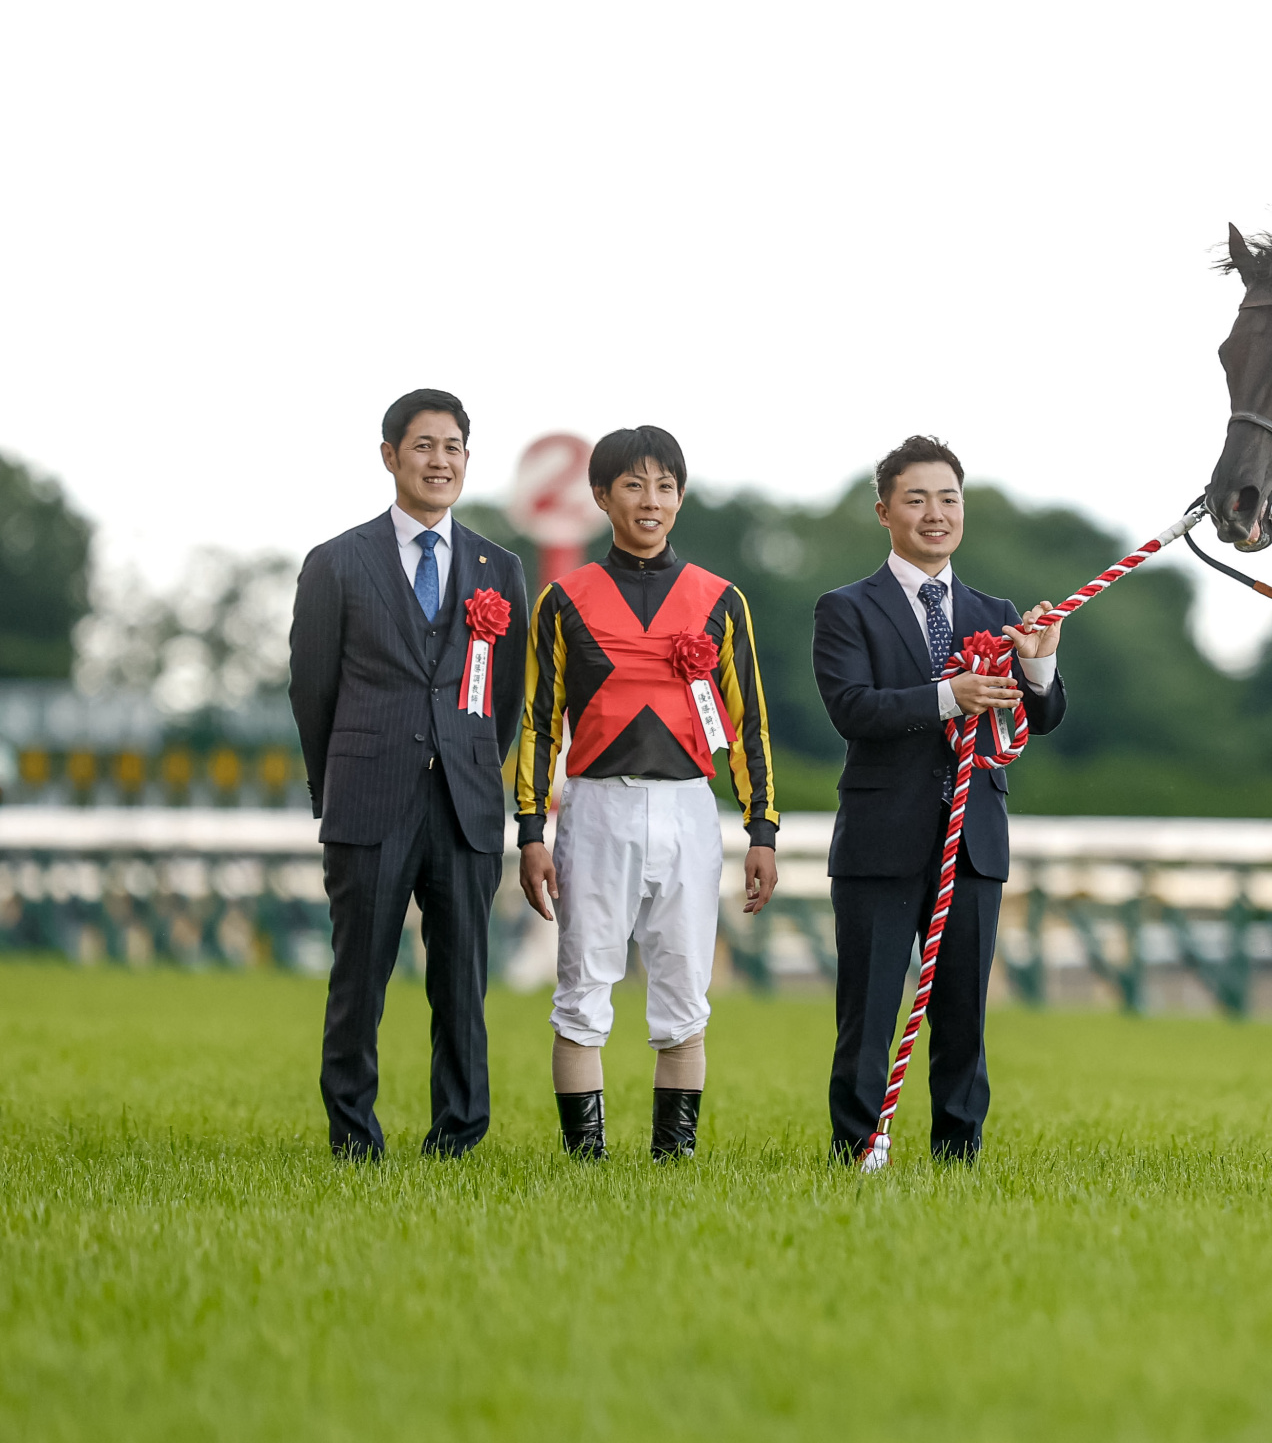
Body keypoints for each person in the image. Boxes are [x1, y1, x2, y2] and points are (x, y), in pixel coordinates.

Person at [515, 426, 778, 1161]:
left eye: (664, 485)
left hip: (690, 807)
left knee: (685, 991)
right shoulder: (564, 600)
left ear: (681, 496)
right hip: (597, 805)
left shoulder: (721, 601)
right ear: (602, 497)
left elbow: (748, 722)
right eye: (633, 485)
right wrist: (530, 829)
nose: (650, 500)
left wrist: (763, 831)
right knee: (582, 990)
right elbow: (538, 722)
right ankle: (586, 1163)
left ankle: (674, 1159)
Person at [289, 389, 530, 1159]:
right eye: (424, 446)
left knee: (462, 982)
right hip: (369, 796)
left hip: (464, 803)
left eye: (453, 447)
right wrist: (334, 783)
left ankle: (458, 1133)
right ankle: (353, 1133)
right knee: (360, 977)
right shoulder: (337, 562)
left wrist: (473, 768)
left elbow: (509, 693)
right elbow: (312, 689)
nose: (440, 461)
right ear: (390, 455)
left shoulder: (501, 567)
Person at [813, 436, 1066, 1164]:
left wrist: (1039, 664)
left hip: (973, 839)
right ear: (884, 509)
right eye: (917, 498)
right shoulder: (845, 609)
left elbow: (1040, 716)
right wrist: (945, 697)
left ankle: (959, 1153)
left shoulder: (997, 611)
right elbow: (853, 709)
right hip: (879, 838)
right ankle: (858, 1149)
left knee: (964, 1012)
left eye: (948, 499)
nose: (935, 513)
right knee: (867, 1013)